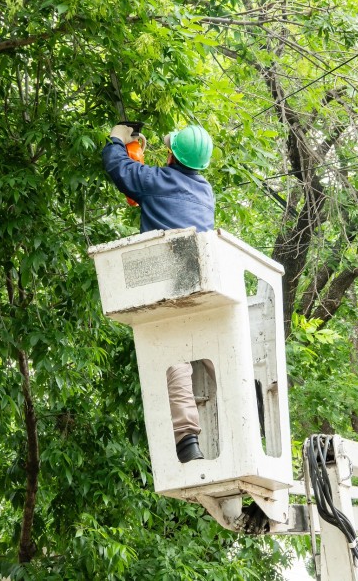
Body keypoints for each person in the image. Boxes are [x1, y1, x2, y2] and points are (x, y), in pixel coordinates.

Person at [102, 122, 215, 463]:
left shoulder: (158, 181)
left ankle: (186, 439)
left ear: (171, 154)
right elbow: (148, 189)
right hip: (201, 280)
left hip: (167, 282)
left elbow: (119, 169)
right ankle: (248, 410)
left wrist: (119, 139)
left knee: (175, 358)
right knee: (212, 354)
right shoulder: (204, 191)